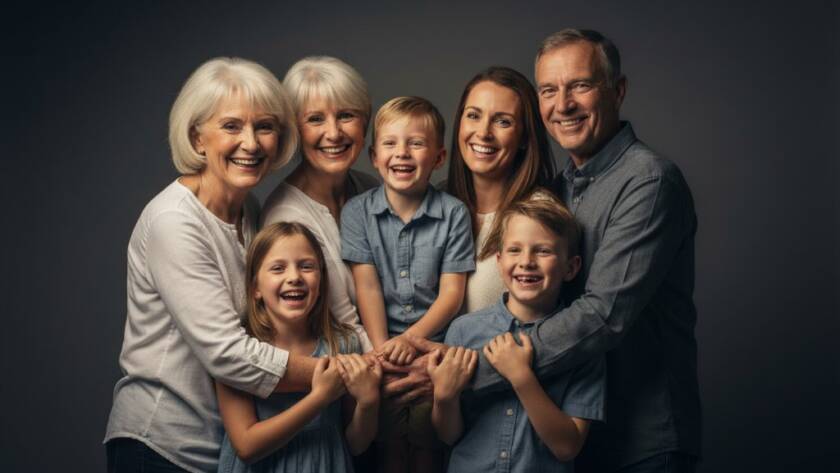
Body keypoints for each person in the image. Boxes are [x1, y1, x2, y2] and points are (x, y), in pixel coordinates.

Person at [420, 29, 700, 473]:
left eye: (581, 86)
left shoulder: (648, 181)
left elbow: (603, 315)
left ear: (619, 90)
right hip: (564, 443)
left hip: (640, 440)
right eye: (549, 90)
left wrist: (464, 372)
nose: (563, 104)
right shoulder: (556, 191)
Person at [104, 57, 300, 473]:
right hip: (161, 447)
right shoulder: (174, 220)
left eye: (264, 127)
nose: (251, 143)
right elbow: (229, 354)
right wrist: (335, 374)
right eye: (231, 126)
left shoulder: (249, 209)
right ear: (197, 139)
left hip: (222, 449)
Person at [340, 97, 475, 473]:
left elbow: (452, 296)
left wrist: (410, 342)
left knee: (428, 446)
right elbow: (366, 287)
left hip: (432, 348)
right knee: (388, 449)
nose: (402, 153)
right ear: (373, 155)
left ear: (439, 157)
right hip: (380, 347)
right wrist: (384, 350)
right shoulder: (356, 213)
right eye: (390, 143)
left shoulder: (454, 214)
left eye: (416, 143)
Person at [429, 195, 605, 473]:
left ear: (571, 267)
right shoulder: (464, 331)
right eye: (514, 250)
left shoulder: (583, 344)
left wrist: (521, 377)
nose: (526, 261)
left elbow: (567, 446)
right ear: (499, 262)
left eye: (543, 251)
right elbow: (448, 436)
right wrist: (444, 396)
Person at [216, 222, 381, 473]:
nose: (294, 277)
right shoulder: (240, 349)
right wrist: (319, 398)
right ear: (255, 288)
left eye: (306, 266)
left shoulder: (344, 344)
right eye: (278, 268)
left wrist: (368, 402)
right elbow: (247, 446)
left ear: (322, 280)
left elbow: (354, 444)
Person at [262, 56, 378, 352]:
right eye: (315, 119)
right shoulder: (286, 217)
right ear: (295, 131)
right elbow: (345, 326)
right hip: (344, 375)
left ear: (365, 121)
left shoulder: (373, 188)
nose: (334, 133)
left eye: (346, 115)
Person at [446, 66, 556, 313]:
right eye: (473, 115)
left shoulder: (539, 213)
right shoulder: (436, 203)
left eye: (503, 121)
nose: (483, 133)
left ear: (525, 138)